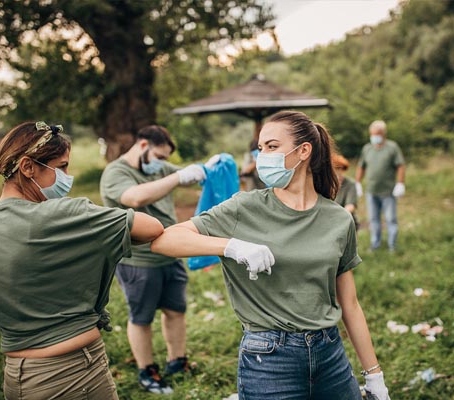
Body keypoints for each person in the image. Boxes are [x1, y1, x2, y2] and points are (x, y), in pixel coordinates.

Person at [150, 110, 390, 400]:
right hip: (269, 358)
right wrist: (231, 246)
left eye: (272, 147)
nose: (262, 156)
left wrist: (374, 375)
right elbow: (165, 240)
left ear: (303, 151)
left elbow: (350, 304)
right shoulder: (244, 208)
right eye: (260, 148)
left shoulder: (338, 219)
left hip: (330, 354)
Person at [0, 121, 164, 400]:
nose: (68, 176)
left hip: (21, 376)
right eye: (62, 166)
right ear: (27, 167)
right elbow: (151, 227)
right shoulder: (63, 215)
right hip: (68, 375)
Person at [99, 125, 208, 394]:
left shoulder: (157, 166)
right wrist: (178, 176)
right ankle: (147, 370)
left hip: (171, 253)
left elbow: (188, 176)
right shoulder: (116, 172)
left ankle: (176, 361)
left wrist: (210, 166)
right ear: (144, 146)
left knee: (176, 310)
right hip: (138, 260)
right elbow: (134, 197)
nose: (162, 164)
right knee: (142, 317)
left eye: (166, 160)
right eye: (160, 156)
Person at [355, 120, 405, 252]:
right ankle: (375, 244)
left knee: (390, 219)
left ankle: (392, 246)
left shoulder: (392, 147)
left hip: (388, 191)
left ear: (383, 134)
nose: (374, 137)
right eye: (372, 134)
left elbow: (400, 166)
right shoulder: (367, 148)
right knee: (373, 219)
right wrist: (358, 182)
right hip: (371, 191)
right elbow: (361, 166)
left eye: (377, 134)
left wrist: (400, 183)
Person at [332, 154, 359, 228]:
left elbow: (350, 205)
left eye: (339, 168)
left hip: (345, 219)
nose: (337, 171)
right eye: (334, 168)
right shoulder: (326, 184)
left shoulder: (350, 184)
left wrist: (339, 216)